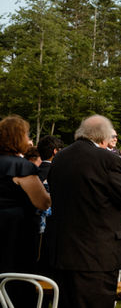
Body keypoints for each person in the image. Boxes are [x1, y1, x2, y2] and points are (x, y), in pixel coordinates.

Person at [47, 115, 121, 308]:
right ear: (103, 137)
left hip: (64, 250)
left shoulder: (60, 157)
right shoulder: (107, 158)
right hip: (97, 252)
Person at [0, 116, 51, 307]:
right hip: (16, 232)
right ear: (18, 137)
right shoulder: (21, 166)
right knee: (17, 280)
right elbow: (42, 202)